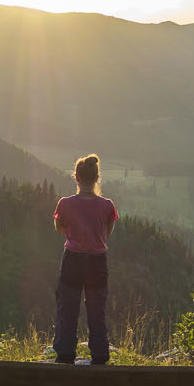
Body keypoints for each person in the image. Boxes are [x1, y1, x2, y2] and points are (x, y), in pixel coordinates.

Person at [53, 153, 117, 365]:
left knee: (68, 308)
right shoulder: (107, 205)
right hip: (98, 261)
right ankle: (99, 355)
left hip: (72, 259)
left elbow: (59, 227)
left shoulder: (65, 204)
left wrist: (76, 236)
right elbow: (107, 231)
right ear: (97, 178)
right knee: (96, 309)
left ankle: (65, 355)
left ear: (77, 177)